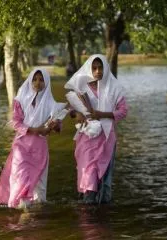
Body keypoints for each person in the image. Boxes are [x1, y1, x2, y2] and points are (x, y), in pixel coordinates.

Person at [0, 68, 67, 209]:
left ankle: (35, 214)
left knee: (39, 183)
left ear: (46, 82)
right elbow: (16, 122)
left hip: (39, 148)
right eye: (34, 79)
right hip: (21, 146)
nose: (37, 82)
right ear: (30, 80)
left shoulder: (52, 104)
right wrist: (36, 130)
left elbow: (58, 128)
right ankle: (22, 210)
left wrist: (55, 125)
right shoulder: (20, 100)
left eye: (41, 79)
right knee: (20, 177)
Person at [64, 54, 128, 204]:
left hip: (107, 138)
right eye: (94, 68)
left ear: (105, 69)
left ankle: (103, 212)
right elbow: (70, 109)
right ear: (89, 69)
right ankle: (88, 214)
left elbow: (123, 111)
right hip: (87, 138)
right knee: (88, 174)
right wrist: (77, 114)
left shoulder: (114, 88)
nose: (98, 71)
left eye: (100, 68)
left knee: (105, 178)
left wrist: (102, 114)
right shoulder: (81, 88)